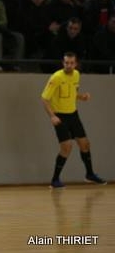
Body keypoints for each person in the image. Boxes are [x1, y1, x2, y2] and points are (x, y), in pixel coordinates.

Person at [41, 51, 107, 188]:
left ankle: (90, 174)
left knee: (85, 144)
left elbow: (72, 92)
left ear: (76, 64)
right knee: (67, 147)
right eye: (66, 63)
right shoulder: (56, 77)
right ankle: (55, 180)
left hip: (73, 115)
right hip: (60, 116)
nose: (69, 65)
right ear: (63, 63)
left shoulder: (76, 75)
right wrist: (52, 116)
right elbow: (44, 98)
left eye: (71, 63)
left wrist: (81, 97)